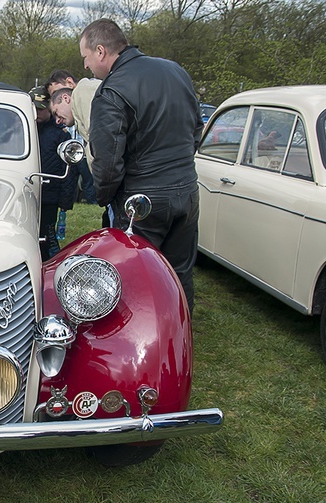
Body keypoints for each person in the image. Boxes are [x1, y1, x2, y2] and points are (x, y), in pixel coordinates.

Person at [80, 19, 204, 313]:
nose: (85, 66)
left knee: (133, 276)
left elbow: (107, 159)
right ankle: (178, 335)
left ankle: (141, 341)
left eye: (85, 57)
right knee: (179, 273)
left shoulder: (112, 89)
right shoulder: (176, 71)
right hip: (186, 191)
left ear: (100, 51)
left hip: (142, 200)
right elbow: (197, 129)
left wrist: (104, 197)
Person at [29, 85, 77, 261]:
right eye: (34, 108)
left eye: (41, 109)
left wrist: (65, 200)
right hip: (28, 192)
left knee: (48, 236)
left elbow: (69, 168)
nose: (37, 113)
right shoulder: (25, 129)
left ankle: (51, 263)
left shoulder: (59, 134)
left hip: (50, 195)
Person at [45, 70, 99, 204]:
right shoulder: (79, 111)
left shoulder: (84, 92)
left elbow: (98, 140)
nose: (57, 120)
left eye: (56, 93)